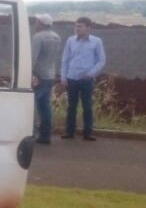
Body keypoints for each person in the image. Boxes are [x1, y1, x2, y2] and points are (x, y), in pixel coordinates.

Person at [59, 16, 106, 141]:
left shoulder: (96, 42)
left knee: (87, 106)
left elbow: (101, 60)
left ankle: (88, 132)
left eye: (80, 26)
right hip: (72, 78)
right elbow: (65, 59)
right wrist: (63, 76)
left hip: (87, 79)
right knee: (71, 106)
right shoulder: (71, 40)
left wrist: (91, 73)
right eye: (76, 26)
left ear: (89, 28)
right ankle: (69, 132)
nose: (77, 29)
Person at [30, 14, 62, 144]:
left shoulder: (38, 37)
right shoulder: (56, 37)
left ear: (41, 23)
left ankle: (30, 133)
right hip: (50, 74)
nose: (35, 24)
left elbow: (33, 57)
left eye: (37, 21)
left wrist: (30, 72)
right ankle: (45, 135)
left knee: (30, 104)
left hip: (39, 75)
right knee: (45, 105)